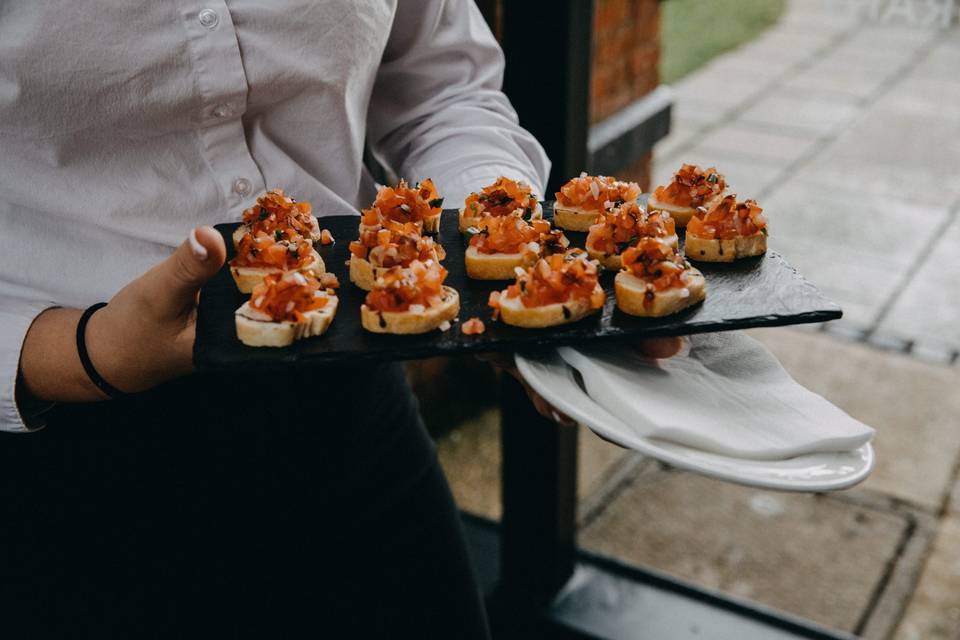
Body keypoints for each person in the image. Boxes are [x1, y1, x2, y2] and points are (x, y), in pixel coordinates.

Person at [0, 1, 680, 635]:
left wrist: (502, 261)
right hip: (62, 458)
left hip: (347, 407)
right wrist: (86, 353)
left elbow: (439, 88)